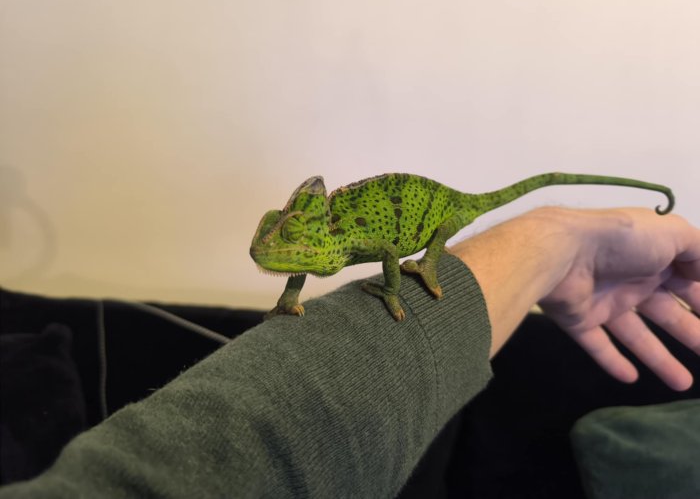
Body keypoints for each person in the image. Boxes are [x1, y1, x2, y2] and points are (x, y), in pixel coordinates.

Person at [1, 206, 698, 498]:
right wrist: (552, 242)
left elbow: (391, 254)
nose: (278, 257)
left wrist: (549, 242)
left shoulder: (342, 246)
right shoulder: (316, 256)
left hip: (414, 239)